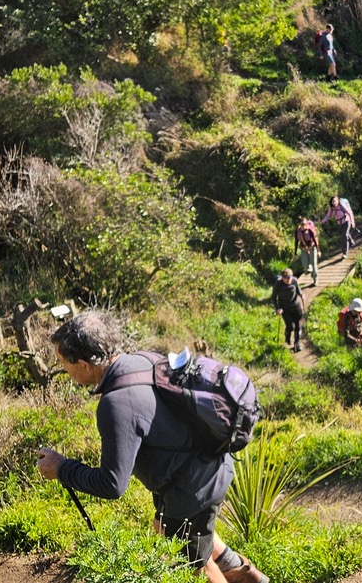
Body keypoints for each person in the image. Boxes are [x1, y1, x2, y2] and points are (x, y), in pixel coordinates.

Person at [35, 311, 267, 583]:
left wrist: (61, 468)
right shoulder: (144, 359)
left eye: (64, 363)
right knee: (167, 527)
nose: (64, 370)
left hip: (193, 487)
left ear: (84, 365)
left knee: (194, 567)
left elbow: (111, 484)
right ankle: (251, 577)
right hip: (212, 464)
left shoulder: (116, 404)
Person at [272, 268, 306, 352]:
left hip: (296, 306)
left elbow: (298, 290)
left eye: (289, 277)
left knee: (298, 326)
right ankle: (287, 334)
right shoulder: (278, 284)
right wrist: (278, 308)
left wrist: (302, 295)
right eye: (286, 278)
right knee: (290, 326)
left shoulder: (294, 281)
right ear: (282, 278)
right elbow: (273, 297)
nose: (288, 280)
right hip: (284, 308)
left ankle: (297, 345)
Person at [294, 216, 321, 286]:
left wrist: (318, 250)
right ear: (299, 224)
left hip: (312, 247)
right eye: (302, 224)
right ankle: (311, 272)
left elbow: (315, 240)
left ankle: (315, 279)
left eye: (305, 224)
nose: (304, 226)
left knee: (314, 263)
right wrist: (295, 253)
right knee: (305, 265)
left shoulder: (310, 230)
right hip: (304, 249)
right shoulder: (297, 231)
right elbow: (296, 241)